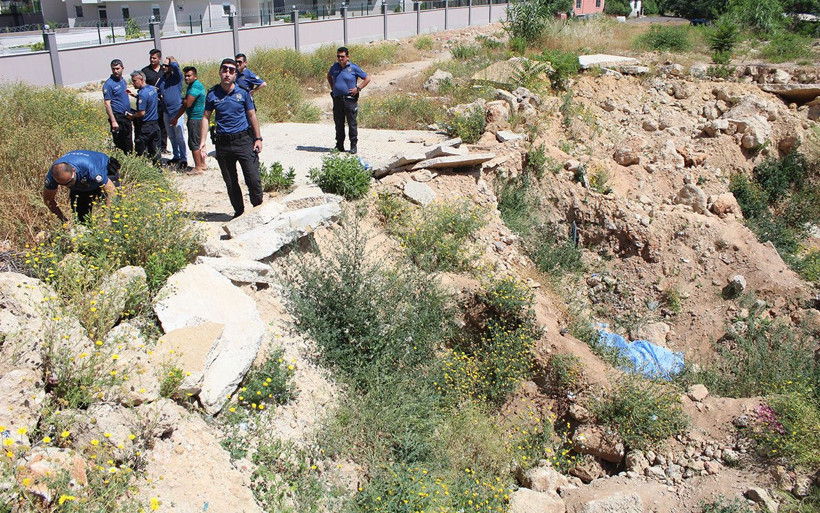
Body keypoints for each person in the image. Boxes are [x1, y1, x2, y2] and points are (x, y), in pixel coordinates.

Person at [199, 58, 263, 218]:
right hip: (223, 144)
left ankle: (259, 211)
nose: (227, 73)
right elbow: (206, 117)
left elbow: (252, 115)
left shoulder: (242, 92)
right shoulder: (212, 94)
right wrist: (203, 143)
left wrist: (258, 138)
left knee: (253, 179)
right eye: (224, 69)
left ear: (235, 74)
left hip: (243, 141)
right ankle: (239, 213)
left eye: (231, 70)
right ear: (220, 72)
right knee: (231, 182)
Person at [42, 150, 119, 223]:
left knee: (116, 213)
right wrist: (63, 221)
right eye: (63, 184)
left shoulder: (90, 168)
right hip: (82, 182)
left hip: (104, 171)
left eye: (69, 182)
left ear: (74, 171)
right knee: (81, 218)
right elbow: (48, 200)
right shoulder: (53, 175)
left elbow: (112, 192)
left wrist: (108, 218)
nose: (68, 186)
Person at [327, 46, 370, 154]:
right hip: (337, 100)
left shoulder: (353, 68)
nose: (340, 59)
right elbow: (329, 76)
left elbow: (367, 78)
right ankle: (339, 145)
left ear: (347, 57)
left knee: (352, 123)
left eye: (342, 56)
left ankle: (353, 146)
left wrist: (358, 88)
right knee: (339, 124)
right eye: (338, 56)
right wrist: (333, 87)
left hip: (350, 100)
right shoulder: (335, 67)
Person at [171, 66, 207, 174]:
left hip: (196, 118)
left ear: (195, 76)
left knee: (194, 143)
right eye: (185, 76)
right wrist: (176, 117)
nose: (186, 78)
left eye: (189, 76)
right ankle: (202, 164)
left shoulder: (195, 87)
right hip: (197, 118)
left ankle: (198, 167)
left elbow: (188, 103)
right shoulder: (191, 87)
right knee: (199, 141)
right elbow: (185, 105)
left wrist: (181, 100)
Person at [157, 55, 188, 169]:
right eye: (163, 65)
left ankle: (184, 158)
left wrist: (172, 60)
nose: (164, 67)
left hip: (176, 110)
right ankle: (176, 156)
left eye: (166, 65)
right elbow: (157, 88)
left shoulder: (177, 77)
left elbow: (177, 68)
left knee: (179, 136)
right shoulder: (163, 78)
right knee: (172, 136)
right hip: (166, 111)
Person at [126, 70, 161, 164]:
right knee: (155, 149)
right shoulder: (151, 89)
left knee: (140, 150)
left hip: (145, 127)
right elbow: (148, 99)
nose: (133, 83)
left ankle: (141, 168)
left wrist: (132, 116)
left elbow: (141, 113)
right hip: (155, 124)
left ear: (141, 80)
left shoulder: (142, 94)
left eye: (134, 81)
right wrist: (135, 95)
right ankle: (158, 169)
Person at [103, 59, 133, 154]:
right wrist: (113, 121)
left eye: (117, 68)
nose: (115, 71)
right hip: (118, 117)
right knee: (121, 144)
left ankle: (131, 160)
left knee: (129, 141)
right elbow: (107, 104)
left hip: (126, 116)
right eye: (113, 69)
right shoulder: (109, 84)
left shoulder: (123, 81)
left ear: (122, 68)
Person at [142, 48, 168, 154]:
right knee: (153, 124)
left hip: (163, 102)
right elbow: (142, 86)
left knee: (163, 124)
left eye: (154, 58)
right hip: (151, 103)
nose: (152, 60)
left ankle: (163, 146)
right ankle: (152, 147)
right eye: (150, 58)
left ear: (159, 58)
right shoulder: (145, 71)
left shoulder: (164, 70)